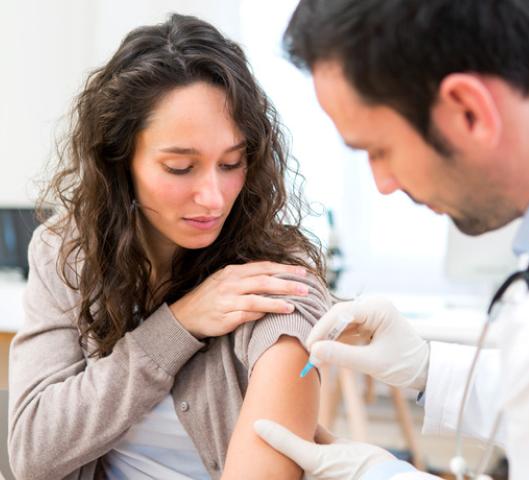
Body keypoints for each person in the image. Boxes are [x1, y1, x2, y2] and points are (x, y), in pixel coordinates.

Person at [254, 0, 529, 479]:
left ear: (469, 111)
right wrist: (428, 368)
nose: (383, 183)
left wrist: (385, 475)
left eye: (379, 150)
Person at [8, 14, 331, 480]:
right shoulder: (67, 253)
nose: (214, 197)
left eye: (232, 163)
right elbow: (34, 452)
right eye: (180, 167)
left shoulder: (273, 277)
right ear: (120, 162)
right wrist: (178, 326)